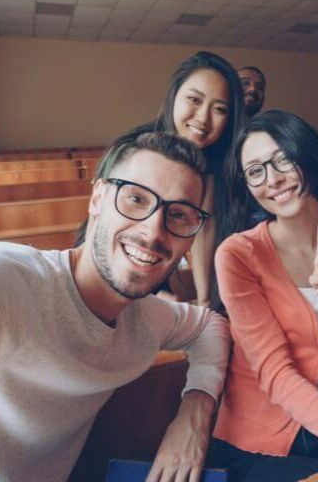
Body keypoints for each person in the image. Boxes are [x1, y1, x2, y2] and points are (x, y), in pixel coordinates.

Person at [0, 131, 231, 482]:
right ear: (97, 198)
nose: (153, 230)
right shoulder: (10, 281)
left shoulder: (145, 318)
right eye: (135, 198)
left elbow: (209, 326)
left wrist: (194, 412)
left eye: (179, 214)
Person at [208, 111, 318, 482]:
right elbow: (275, 376)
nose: (272, 179)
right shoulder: (238, 254)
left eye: (283, 159)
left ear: (307, 156)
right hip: (259, 437)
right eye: (255, 170)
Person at [75, 51, 245, 308]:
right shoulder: (135, 149)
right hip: (110, 265)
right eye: (194, 99)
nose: (203, 117)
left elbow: (204, 230)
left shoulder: (218, 163)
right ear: (174, 97)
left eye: (219, 109)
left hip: (160, 260)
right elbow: (99, 228)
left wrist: (204, 300)